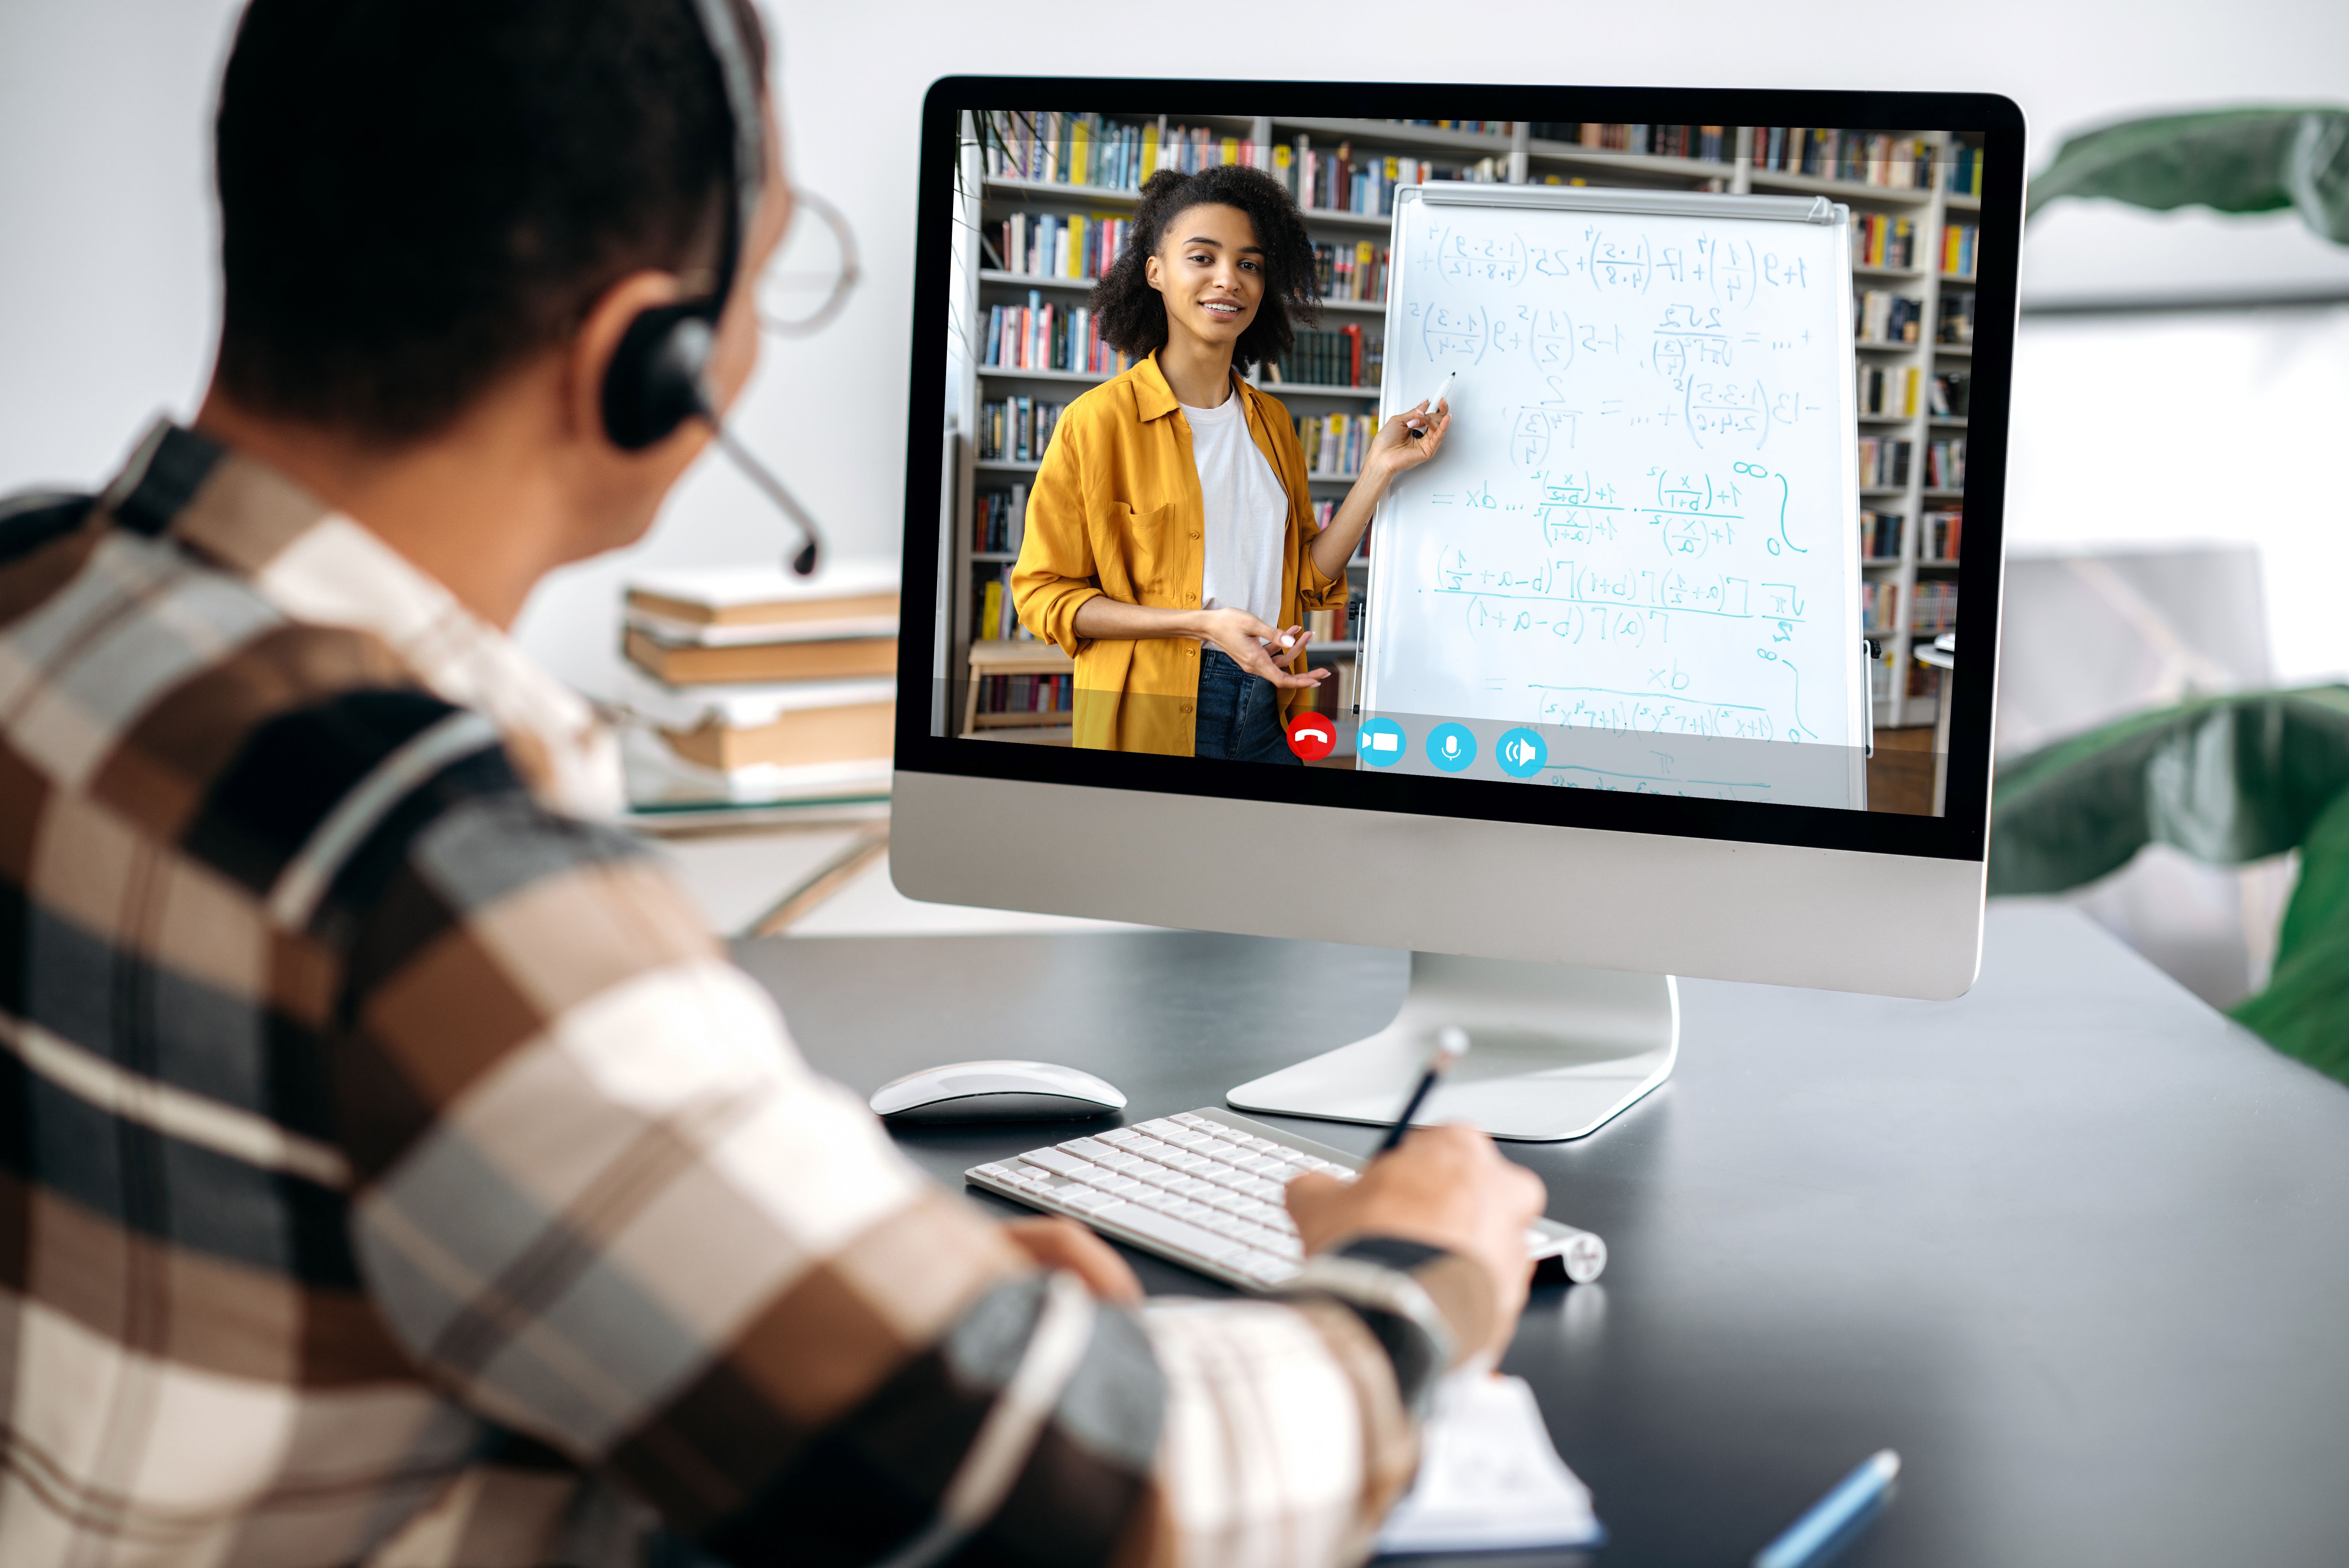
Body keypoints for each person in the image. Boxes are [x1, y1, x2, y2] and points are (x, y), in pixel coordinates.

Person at [0, 4, 1543, 1564]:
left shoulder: (30, 595)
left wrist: (903, 1293)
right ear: (648, 360)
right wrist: (1417, 1284)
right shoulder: (433, 872)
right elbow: (1063, 1485)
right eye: (775, 264)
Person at [1011, 165, 1452, 758]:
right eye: (1203, 258)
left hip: (1270, 706)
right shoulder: (1097, 423)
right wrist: (1199, 623)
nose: (1230, 280)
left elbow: (1307, 575)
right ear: (1156, 273)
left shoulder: (1272, 422)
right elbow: (1045, 597)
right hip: (1157, 712)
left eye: (1249, 264)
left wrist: (1377, 469)